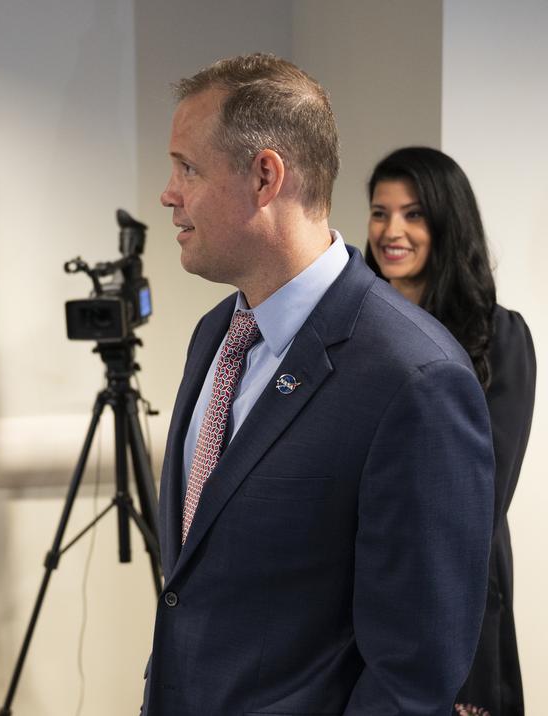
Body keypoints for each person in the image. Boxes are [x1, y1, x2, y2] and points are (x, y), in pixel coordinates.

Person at [142, 53, 495, 715]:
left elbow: (413, 673)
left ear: (265, 175)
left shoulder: (415, 378)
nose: (168, 192)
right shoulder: (215, 335)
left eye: (186, 167)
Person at [366, 146, 536, 716]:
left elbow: (480, 499)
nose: (393, 231)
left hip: (451, 598)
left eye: (414, 214)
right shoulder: (351, 333)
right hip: (354, 598)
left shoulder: (499, 337)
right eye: (380, 212)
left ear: (446, 222)